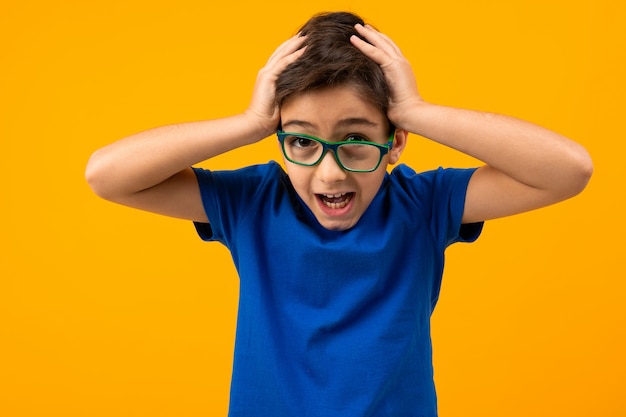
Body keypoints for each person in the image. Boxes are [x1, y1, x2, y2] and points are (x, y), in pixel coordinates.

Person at [85, 11, 592, 417]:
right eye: (302, 140)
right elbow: (107, 175)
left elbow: (568, 170)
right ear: (280, 139)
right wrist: (249, 123)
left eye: (355, 140)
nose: (329, 174)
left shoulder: (424, 204)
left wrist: (413, 108)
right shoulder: (252, 201)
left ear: (394, 144)